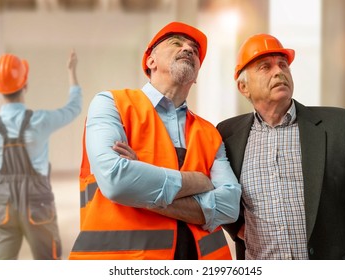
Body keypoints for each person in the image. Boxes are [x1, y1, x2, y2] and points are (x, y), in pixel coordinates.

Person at [68, 22, 241, 260]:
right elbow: (116, 180)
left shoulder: (209, 132)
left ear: (197, 76)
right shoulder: (112, 104)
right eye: (176, 43)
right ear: (151, 61)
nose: (189, 49)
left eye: (195, 50)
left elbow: (230, 206)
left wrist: (142, 189)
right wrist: (198, 181)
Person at [217, 34, 345, 260]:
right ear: (243, 87)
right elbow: (217, 192)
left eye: (283, 65)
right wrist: (238, 228)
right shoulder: (228, 135)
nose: (278, 72)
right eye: (265, 67)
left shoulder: (337, 126)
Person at [0, 50, 82, 259]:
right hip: (37, 203)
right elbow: (74, 108)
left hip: (3, 205)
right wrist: (72, 72)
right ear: (25, 84)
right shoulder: (40, 121)